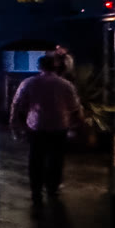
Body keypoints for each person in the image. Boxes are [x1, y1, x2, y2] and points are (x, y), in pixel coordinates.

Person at [10, 52, 85, 206]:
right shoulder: (65, 85)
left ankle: (36, 191)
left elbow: (16, 104)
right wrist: (77, 125)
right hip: (59, 126)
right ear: (55, 67)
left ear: (39, 67)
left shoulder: (29, 83)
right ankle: (52, 188)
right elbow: (75, 108)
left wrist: (14, 124)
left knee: (36, 158)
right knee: (56, 158)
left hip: (37, 126)